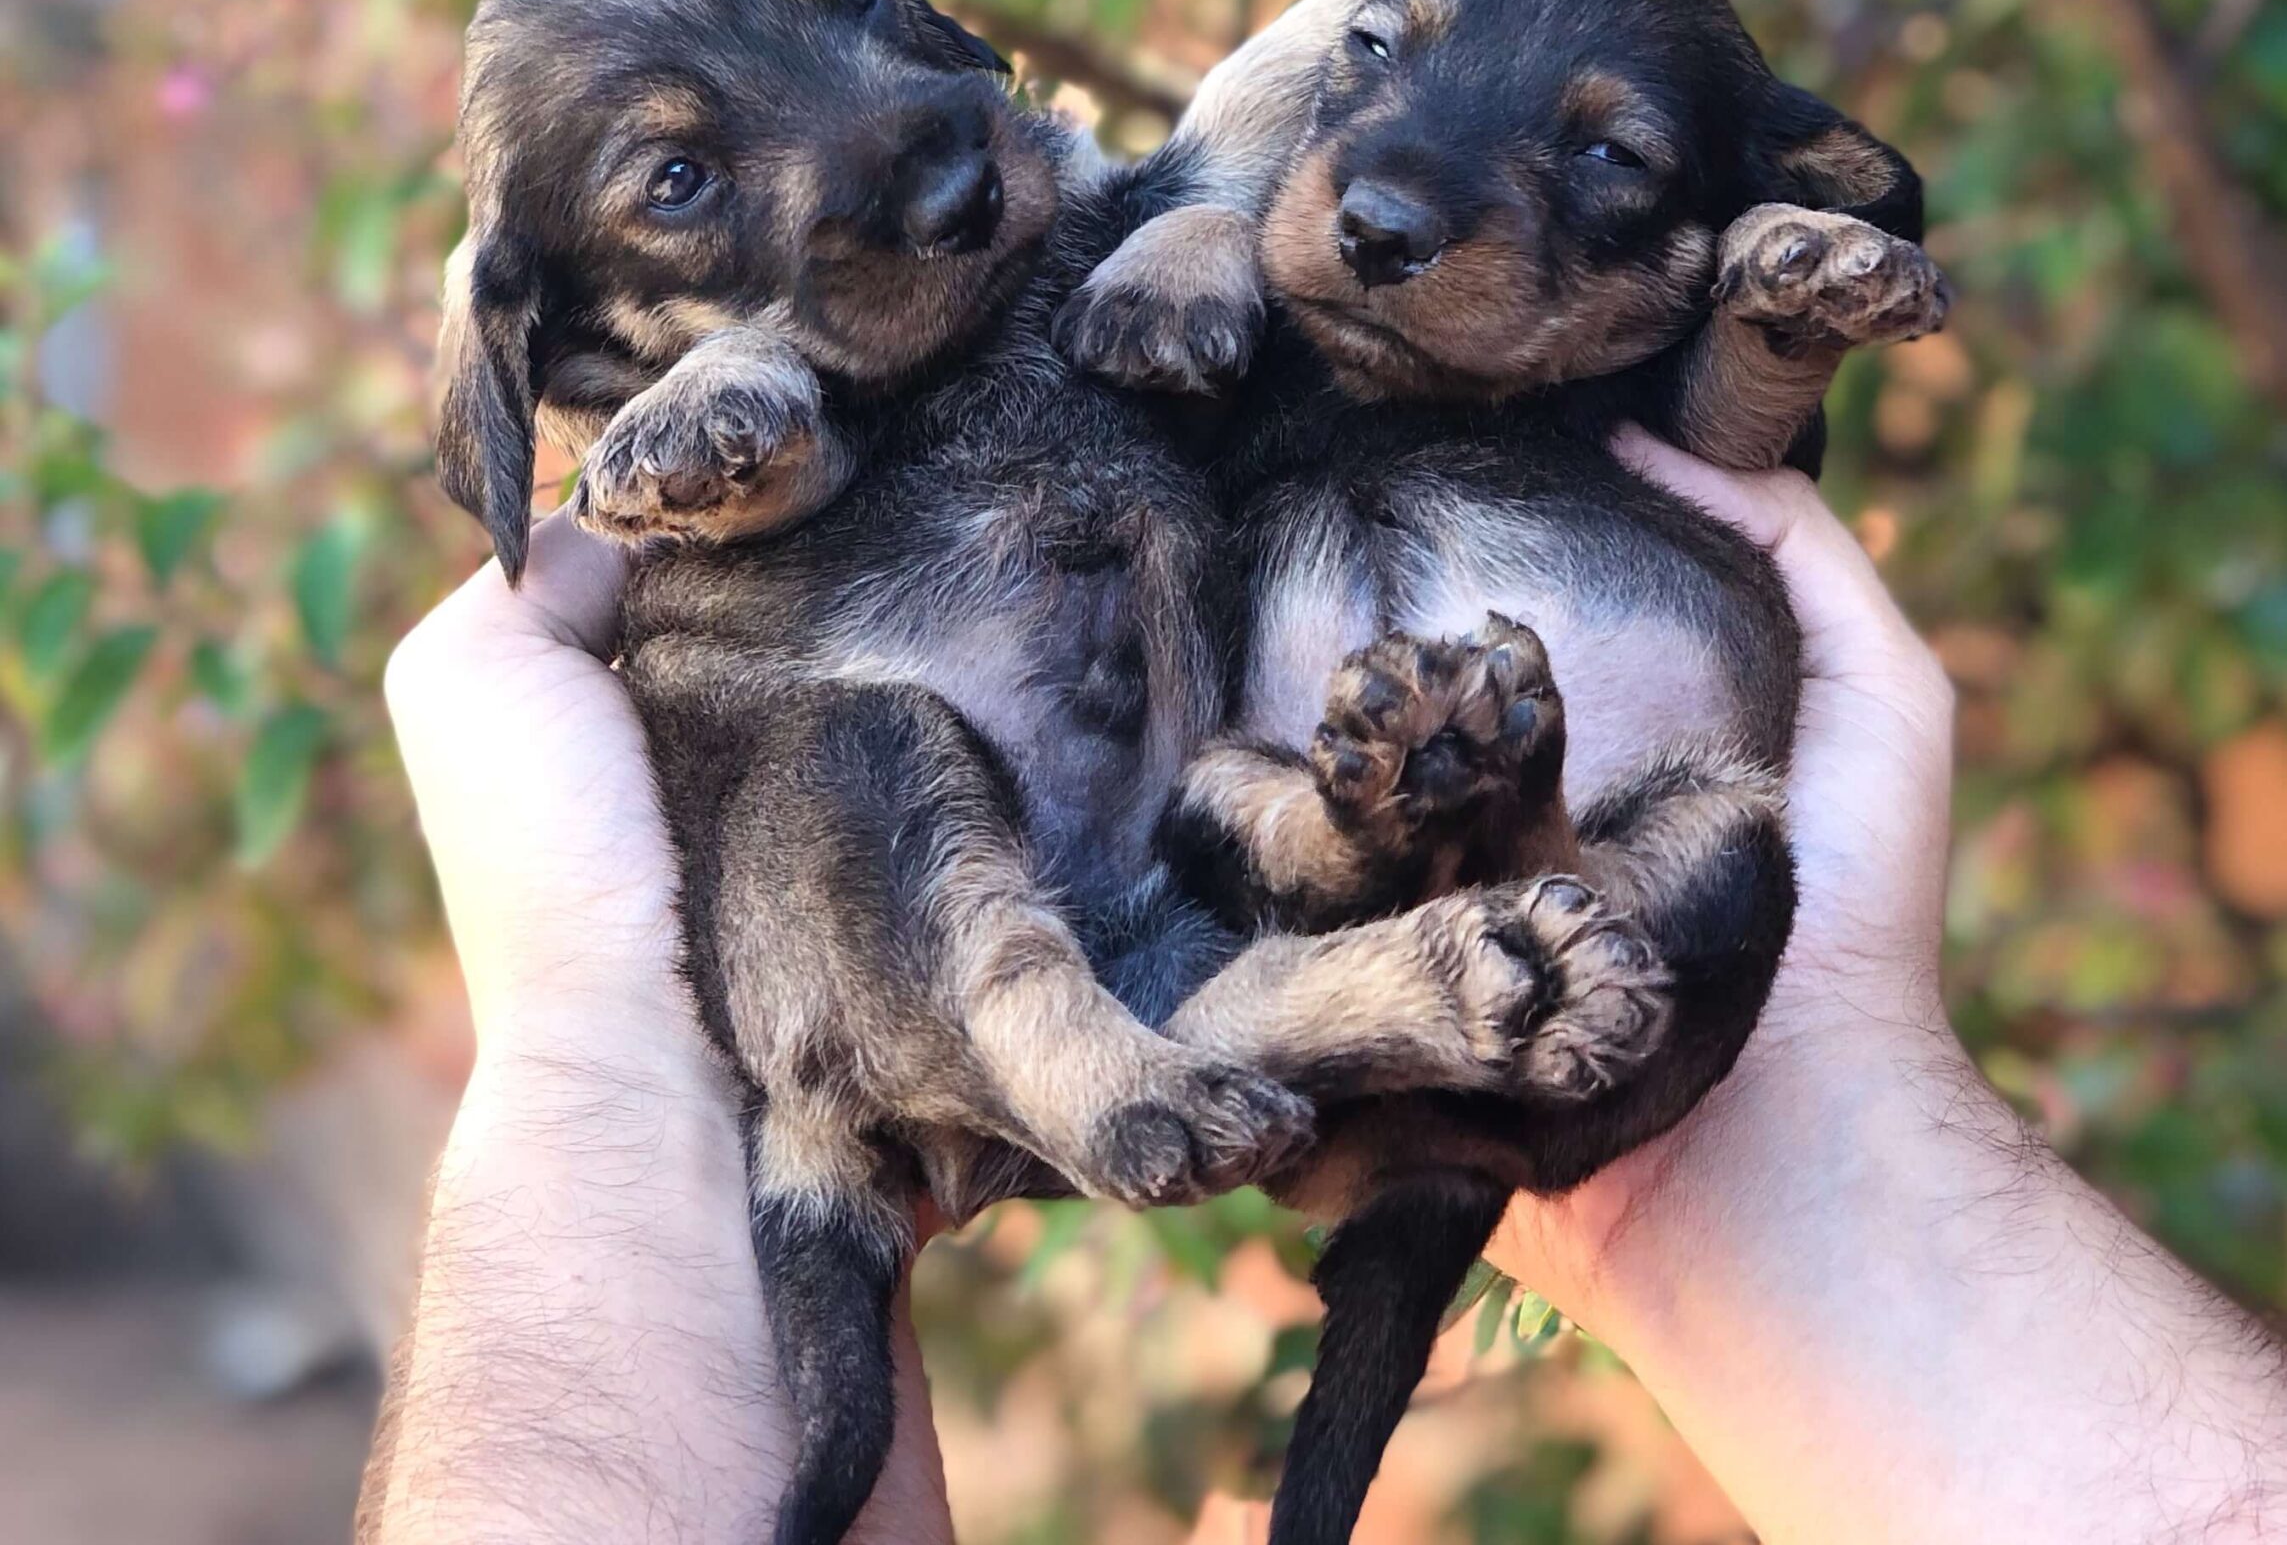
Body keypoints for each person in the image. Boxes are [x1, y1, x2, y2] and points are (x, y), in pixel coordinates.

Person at [359, 436, 2287, 1545]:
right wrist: (623, 1051)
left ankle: (1334, 977)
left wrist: (601, 1070)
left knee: (1277, 844)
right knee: (970, 815)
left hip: (1246, 869)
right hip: (1009, 926)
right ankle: (1276, 998)